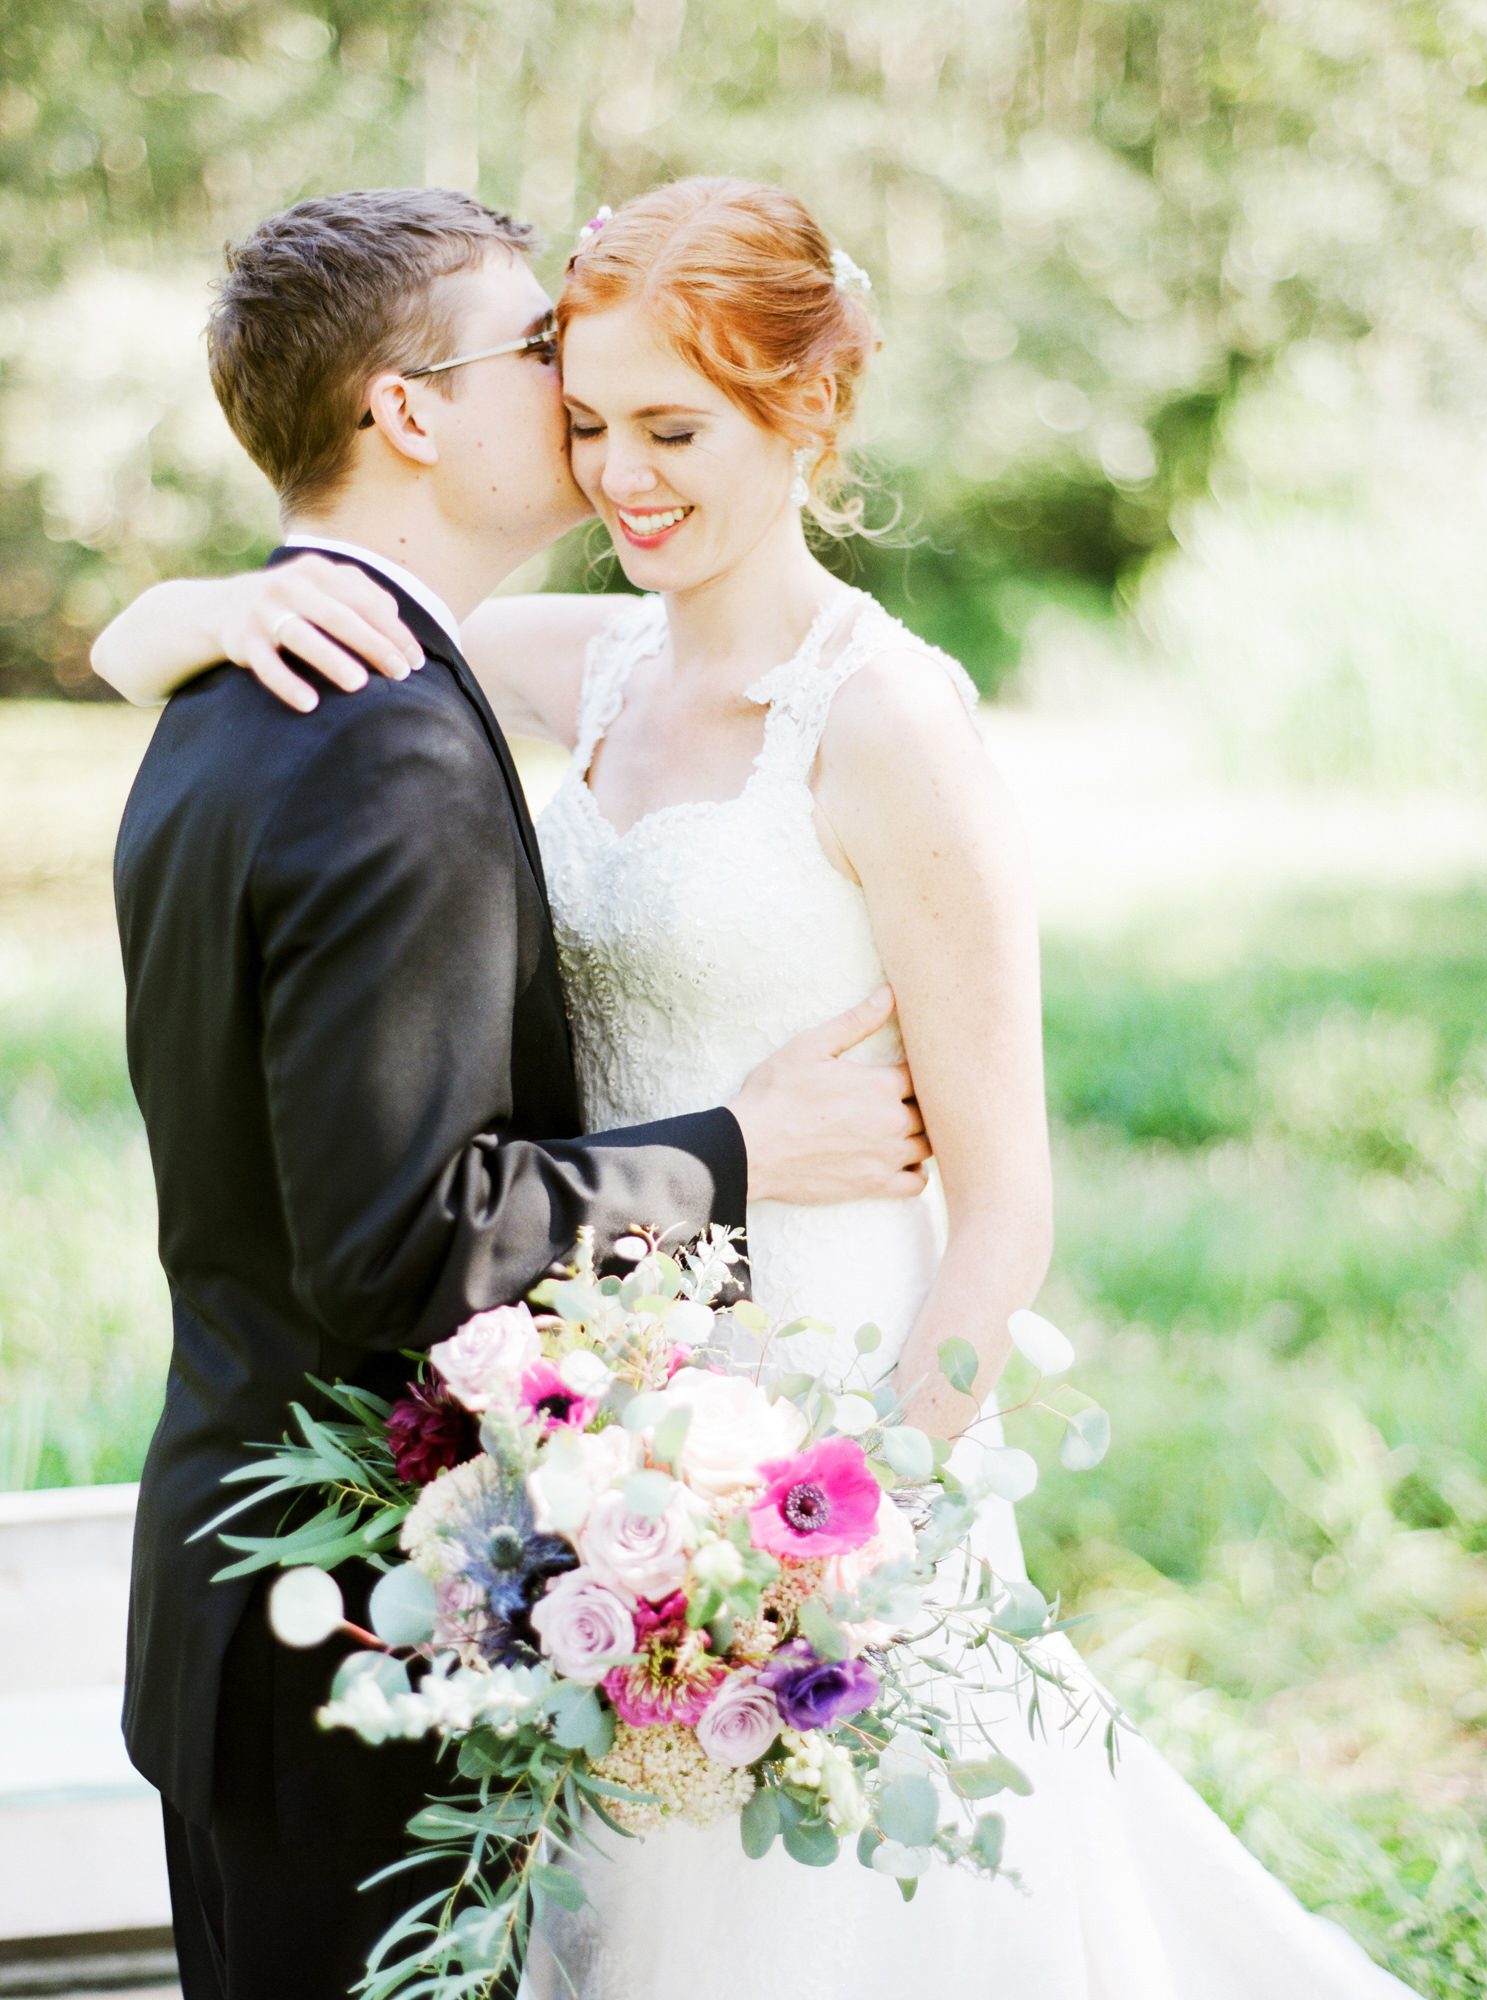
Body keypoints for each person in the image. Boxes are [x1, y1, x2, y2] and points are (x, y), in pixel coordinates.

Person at [96, 180, 1421, 1998]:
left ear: (799, 418)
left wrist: (844, 1548)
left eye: (672, 428)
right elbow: (342, 627)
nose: (621, 474)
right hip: (587, 1484)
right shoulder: (598, 664)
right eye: (585, 422)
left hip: (825, 1474)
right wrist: (165, 614)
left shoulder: (889, 720)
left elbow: (1006, 1216)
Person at [99, 186, 933, 2000]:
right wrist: (743, 1152)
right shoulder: (373, 731)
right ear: (408, 410)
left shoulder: (242, 687)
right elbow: (406, 1238)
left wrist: (159, 612)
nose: (578, 384)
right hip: (343, 1646)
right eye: (541, 352)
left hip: (262, 1606)